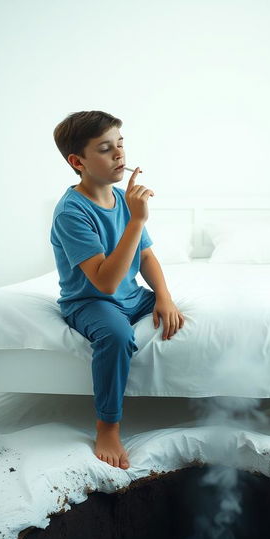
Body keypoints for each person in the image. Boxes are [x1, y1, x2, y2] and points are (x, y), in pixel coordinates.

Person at [50, 110, 185, 470]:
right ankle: (107, 425)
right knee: (117, 335)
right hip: (91, 300)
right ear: (78, 162)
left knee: (185, 317)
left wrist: (163, 296)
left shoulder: (121, 200)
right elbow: (105, 282)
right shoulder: (71, 212)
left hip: (130, 296)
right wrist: (137, 218)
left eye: (121, 145)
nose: (120, 155)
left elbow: (146, 257)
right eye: (106, 149)